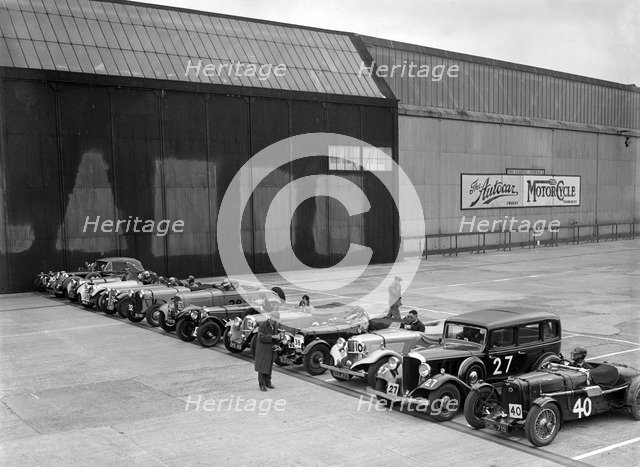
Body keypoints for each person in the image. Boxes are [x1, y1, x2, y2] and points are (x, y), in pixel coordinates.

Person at [254, 310, 284, 391]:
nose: (275, 322)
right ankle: (262, 384)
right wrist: (272, 337)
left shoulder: (275, 326)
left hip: (271, 349)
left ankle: (268, 382)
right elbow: (261, 337)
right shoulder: (263, 325)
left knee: (269, 367)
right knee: (262, 367)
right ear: (270, 319)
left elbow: (277, 338)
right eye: (274, 321)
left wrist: (277, 344)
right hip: (263, 350)